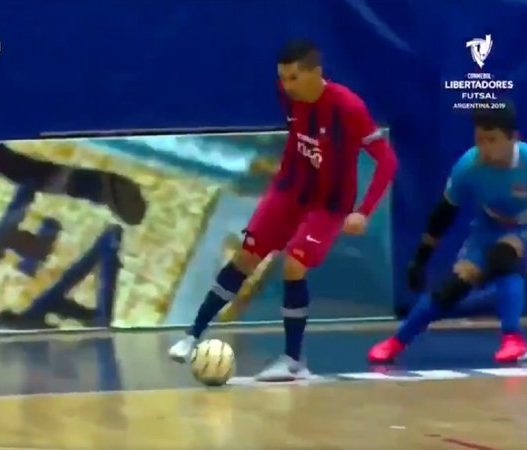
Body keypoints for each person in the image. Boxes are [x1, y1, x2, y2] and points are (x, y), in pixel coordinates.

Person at [169, 39, 398, 381]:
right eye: (283, 78)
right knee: (245, 257)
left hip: (329, 204)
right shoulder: (286, 95)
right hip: (289, 190)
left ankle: (293, 362)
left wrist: (363, 211)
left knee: (294, 264)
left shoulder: (348, 108)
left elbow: (387, 161)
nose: (287, 86)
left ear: (315, 72)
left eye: (294, 78)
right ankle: (192, 336)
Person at [369, 103, 527, 364]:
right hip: (486, 232)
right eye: (479, 140)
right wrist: (420, 259)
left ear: (513, 138)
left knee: (504, 255)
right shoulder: (468, 166)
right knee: (454, 285)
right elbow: (444, 214)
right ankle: (397, 341)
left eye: (492, 140)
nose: (484, 148)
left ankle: (513, 338)